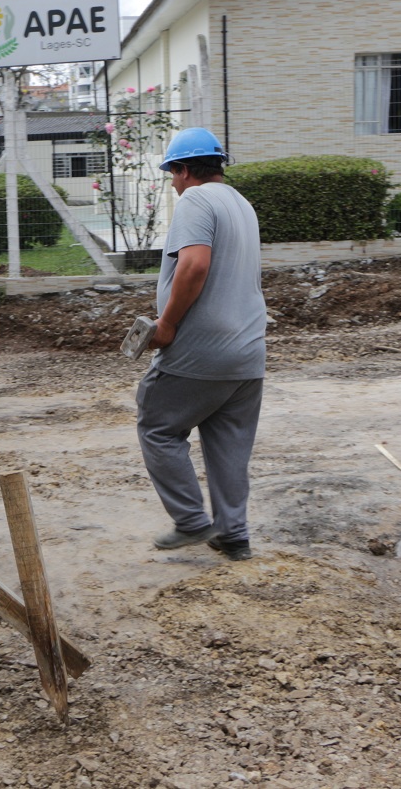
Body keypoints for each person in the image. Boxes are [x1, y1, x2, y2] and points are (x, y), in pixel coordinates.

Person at [135, 127, 266, 561]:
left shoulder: (196, 200)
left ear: (184, 170)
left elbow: (193, 266)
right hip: (248, 353)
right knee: (229, 444)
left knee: (157, 425)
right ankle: (233, 534)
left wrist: (167, 324)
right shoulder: (241, 204)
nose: (173, 184)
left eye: (172, 174)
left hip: (201, 349)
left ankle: (191, 520)